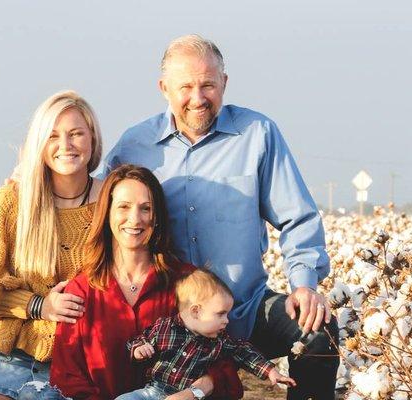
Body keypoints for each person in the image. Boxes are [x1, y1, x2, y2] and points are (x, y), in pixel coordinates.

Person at [103, 34, 339, 400]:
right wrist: (33, 180)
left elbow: (298, 217)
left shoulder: (257, 134)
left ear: (224, 83)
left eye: (208, 85)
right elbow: (95, 203)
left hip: (243, 310)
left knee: (317, 331)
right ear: (164, 88)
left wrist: (304, 285)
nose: (198, 99)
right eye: (186, 87)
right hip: (169, 324)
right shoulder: (135, 145)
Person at [37, 165, 243, 400]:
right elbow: (67, 377)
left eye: (146, 208)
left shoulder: (188, 283)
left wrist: (196, 391)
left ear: (157, 218)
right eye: (123, 207)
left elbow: (225, 365)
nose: (135, 219)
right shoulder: (81, 290)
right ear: (107, 213)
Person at [0, 90, 104, 400]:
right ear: (39, 143)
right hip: (6, 350)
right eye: (52, 136)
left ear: (92, 138)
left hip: (78, 358)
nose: (65, 145)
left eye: (76, 133)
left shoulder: (112, 203)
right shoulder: (13, 201)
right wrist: (39, 306)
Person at [116, 269, 296, 400]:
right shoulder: (164, 327)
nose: (227, 320)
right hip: (152, 391)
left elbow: (245, 352)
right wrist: (140, 348)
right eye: (220, 314)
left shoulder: (220, 341)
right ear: (196, 311)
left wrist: (271, 371)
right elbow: (138, 340)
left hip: (190, 396)